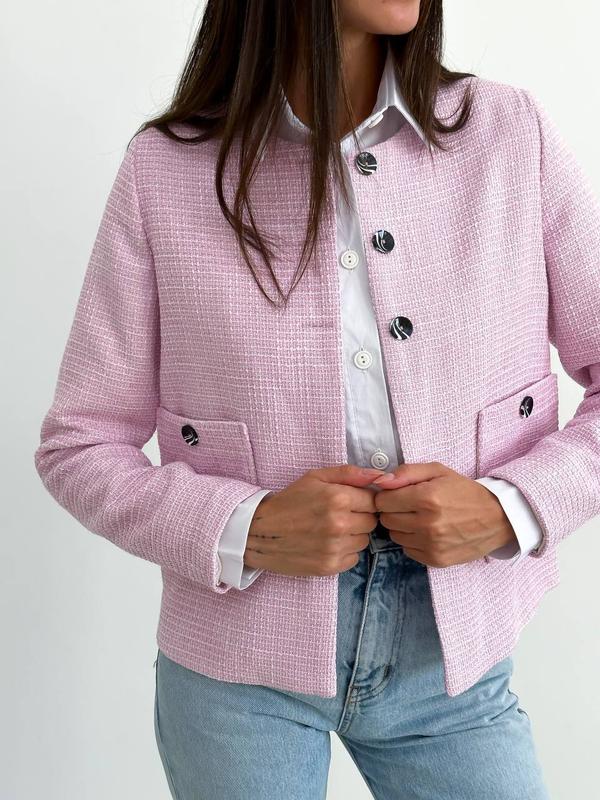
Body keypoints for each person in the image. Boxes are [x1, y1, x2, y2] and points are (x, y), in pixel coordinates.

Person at [34, 0, 600, 797]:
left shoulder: (507, 134)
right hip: (236, 672)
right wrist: (244, 527)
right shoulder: (165, 169)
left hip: (452, 655)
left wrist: (511, 507)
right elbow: (79, 445)